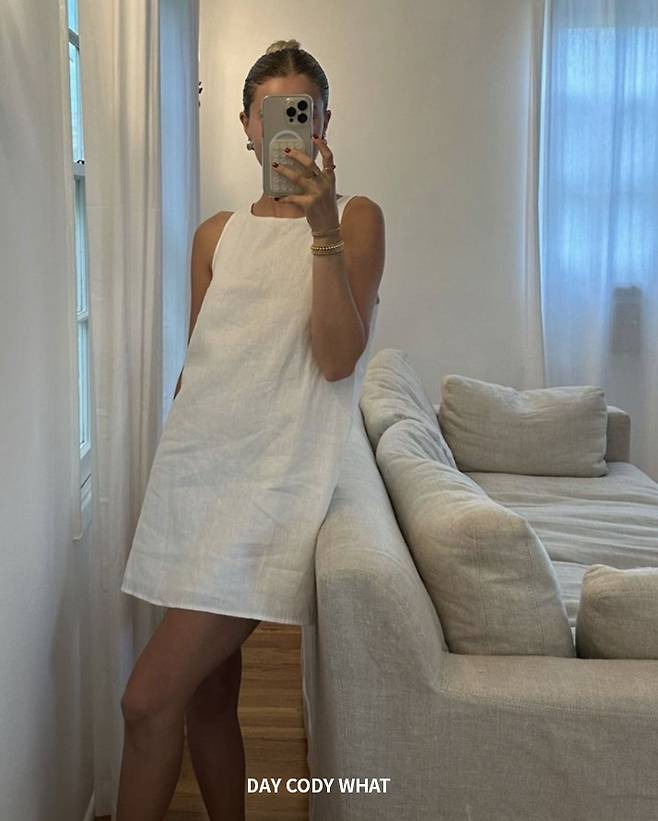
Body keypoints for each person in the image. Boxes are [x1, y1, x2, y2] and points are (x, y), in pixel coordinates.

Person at [115, 37, 385, 821]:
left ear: (324, 122)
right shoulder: (215, 234)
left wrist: (322, 226)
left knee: (144, 700)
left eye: (302, 111)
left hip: (268, 494)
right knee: (206, 696)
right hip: (196, 479)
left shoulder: (357, 218)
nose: (286, 129)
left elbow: (336, 358)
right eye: (271, 114)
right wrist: (174, 468)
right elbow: (202, 367)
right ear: (246, 126)